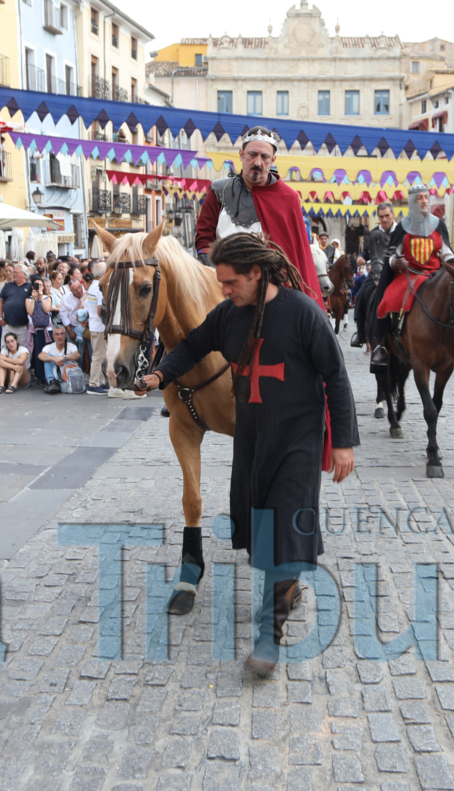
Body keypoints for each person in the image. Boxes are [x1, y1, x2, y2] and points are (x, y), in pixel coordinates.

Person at [139, 233, 358, 677]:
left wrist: (343, 442)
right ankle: (289, 583)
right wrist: (160, 372)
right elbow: (192, 346)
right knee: (262, 534)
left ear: (256, 274)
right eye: (220, 282)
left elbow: (335, 376)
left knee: (282, 529)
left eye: (230, 281)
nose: (223, 290)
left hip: (297, 439)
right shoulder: (229, 314)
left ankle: (267, 635)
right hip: (253, 438)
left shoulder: (303, 313)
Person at [193, 124, 324, 308]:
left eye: (264, 157)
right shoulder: (218, 191)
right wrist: (215, 271)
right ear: (241, 155)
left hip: (271, 287)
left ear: (273, 160)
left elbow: (296, 251)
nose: (257, 162)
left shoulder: (288, 198)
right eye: (252, 155)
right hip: (223, 286)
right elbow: (204, 239)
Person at [370, 186, 454, 368]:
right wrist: (395, 263)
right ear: (412, 201)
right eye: (420, 198)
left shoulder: (438, 225)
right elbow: (392, 254)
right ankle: (381, 345)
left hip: (434, 275)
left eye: (426, 197)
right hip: (408, 275)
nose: (424, 201)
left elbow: (446, 252)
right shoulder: (404, 226)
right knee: (388, 299)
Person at [351, 203, 396, 348]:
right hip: (376, 271)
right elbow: (366, 251)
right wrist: (361, 257)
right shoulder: (374, 232)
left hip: (396, 271)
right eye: (381, 216)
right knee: (362, 293)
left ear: (393, 215)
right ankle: (360, 333)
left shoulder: (400, 231)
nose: (384, 219)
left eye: (387, 216)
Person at [84, 264, 109, 393]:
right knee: (99, 356)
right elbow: (101, 311)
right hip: (99, 326)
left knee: (100, 355)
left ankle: (100, 381)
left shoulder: (92, 286)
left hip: (95, 325)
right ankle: (93, 384)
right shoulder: (99, 288)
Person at [27, 277, 54, 386]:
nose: (40, 287)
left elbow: (47, 310)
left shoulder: (48, 297)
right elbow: (30, 311)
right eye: (37, 285)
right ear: (33, 287)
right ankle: (40, 377)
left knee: (48, 353)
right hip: (36, 330)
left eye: (41, 285)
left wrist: (41, 297)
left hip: (47, 329)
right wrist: (33, 299)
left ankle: (50, 377)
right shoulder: (28, 299)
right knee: (38, 354)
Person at [38, 325, 80, 394]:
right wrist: (54, 359)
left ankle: (55, 385)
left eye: (62, 334)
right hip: (54, 373)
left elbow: (77, 355)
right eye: (57, 334)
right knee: (47, 357)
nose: (60, 336)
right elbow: (40, 355)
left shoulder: (71, 346)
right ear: (53, 336)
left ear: (65, 335)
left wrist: (63, 357)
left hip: (67, 373)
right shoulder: (49, 347)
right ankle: (52, 382)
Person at [0, 265, 31, 349]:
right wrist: (0, 318)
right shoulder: (8, 286)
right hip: (7, 325)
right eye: (13, 272)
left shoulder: (30, 286)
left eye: (16, 272)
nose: (13, 274)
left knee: (23, 350)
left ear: (24, 274)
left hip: (23, 327)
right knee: (5, 348)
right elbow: (0, 301)